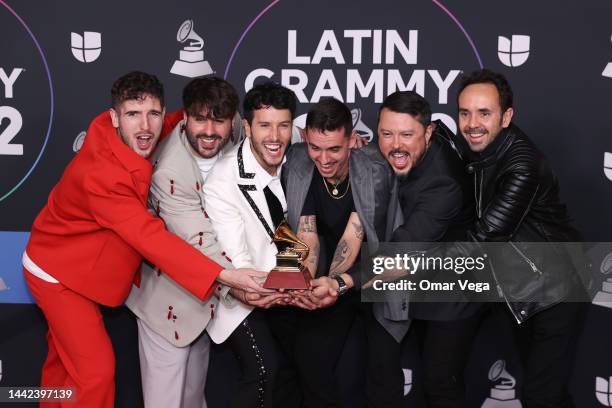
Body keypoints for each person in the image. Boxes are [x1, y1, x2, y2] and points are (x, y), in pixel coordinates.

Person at [22, 71, 268, 408]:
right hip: (58, 273)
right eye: (133, 115)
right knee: (95, 372)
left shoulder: (149, 130)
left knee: (62, 369)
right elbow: (152, 240)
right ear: (114, 118)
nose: (145, 126)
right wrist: (222, 275)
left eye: (153, 113)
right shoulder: (102, 176)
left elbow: (184, 119)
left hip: (80, 263)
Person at [457, 69, 584, 407]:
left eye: (484, 113)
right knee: (549, 395)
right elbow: (440, 139)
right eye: (464, 112)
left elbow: (483, 239)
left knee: (542, 397)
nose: (472, 123)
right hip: (522, 291)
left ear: (506, 116)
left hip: (554, 295)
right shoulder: (481, 147)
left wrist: (407, 263)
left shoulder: (523, 164)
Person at [125, 76, 244, 408]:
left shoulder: (237, 132)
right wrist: (247, 284)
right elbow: (199, 241)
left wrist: (304, 133)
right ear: (185, 117)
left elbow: (271, 132)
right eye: (200, 120)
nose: (209, 131)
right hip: (167, 303)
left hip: (203, 302)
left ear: (233, 120)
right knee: (165, 402)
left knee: (191, 399)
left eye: (218, 121)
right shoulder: (169, 171)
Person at [370, 90, 483, 407]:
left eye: (407, 134)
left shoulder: (443, 183)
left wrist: (341, 279)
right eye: (386, 133)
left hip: (452, 294)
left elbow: (402, 249)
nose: (395, 144)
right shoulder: (413, 150)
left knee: (439, 383)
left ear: (428, 131)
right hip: (420, 283)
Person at [282, 97, 394, 407]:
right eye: (316, 147)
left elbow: (354, 236)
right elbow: (307, 234)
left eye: (334, 149)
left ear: (351, 142)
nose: (324, 158)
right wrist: (306, 283)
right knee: (311, 360)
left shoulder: (372, 170)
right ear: (306, 138)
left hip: (376, 274)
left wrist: (333, 284)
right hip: (330, 274)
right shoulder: (300, 163)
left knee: (382, 374)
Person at [203, 82, 300, 408]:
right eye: (264, 126)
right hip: (242, 292)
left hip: (289, 284)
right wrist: (276, 288)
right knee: (263, 371)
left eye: (283, 125)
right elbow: (238, 262)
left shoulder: (300, 152)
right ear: (246, 127)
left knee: (298, 373)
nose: (275, 136)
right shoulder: (223, 181)